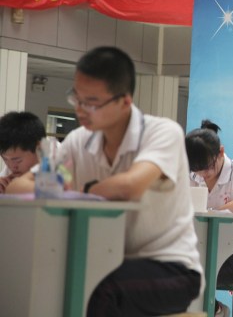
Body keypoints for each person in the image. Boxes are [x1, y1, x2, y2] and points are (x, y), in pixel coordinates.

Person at [8, 46, 203, 316]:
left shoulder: (161, 133)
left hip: (170, 268)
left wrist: (79, 190)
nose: (80, 110)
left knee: (99, 291)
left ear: (124, 102)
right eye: (76, 99)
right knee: (34, 277)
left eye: (92, 103)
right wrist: (58, 188)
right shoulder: (78, 141)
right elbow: (18, 186)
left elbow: (129, 187)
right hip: (105, 261)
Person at [186, 120, 233, 317]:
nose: (204, 175)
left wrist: (208, 211)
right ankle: (215, 309)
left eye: (208, 167)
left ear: (220, 152)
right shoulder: (193, 175)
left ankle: (216, 311)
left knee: (190, 275)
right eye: (198, 170)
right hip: (198, 249)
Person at [0, 111, 46, 193]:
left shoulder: (60, 160)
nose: (12, 167)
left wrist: (16, 188)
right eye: (5, 159)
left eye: (18, 160)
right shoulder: (10, 169)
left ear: (39, 148)